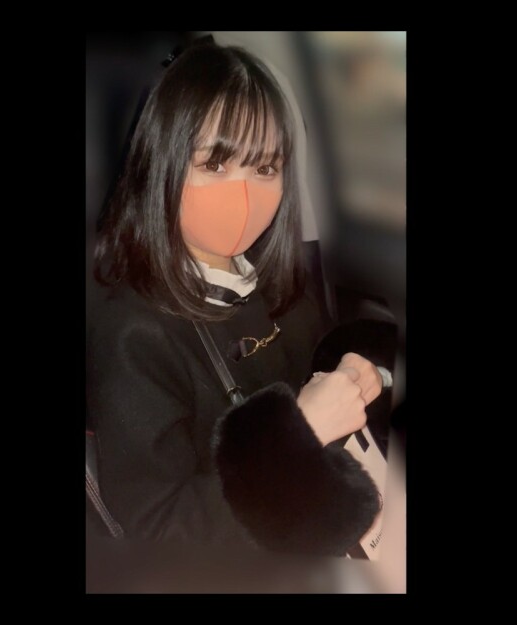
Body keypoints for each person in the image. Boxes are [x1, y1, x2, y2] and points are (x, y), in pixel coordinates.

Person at [87, 40, 384, 556]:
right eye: (216, 164)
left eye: (265, 168)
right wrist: (300, 433)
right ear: (164, 165)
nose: (244, 197)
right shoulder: (134, 334)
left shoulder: (277, 283)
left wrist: (356, 376)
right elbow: (159, 534)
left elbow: (310, 368)